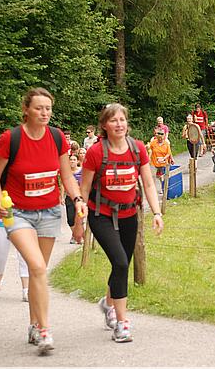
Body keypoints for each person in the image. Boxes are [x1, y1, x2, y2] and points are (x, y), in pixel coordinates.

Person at [0, 87, 87, 354]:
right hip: (17, 213)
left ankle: (33, 323)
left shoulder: (56, 138)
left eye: (48, 108)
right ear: (26, 110)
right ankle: (45, 330)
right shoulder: (12, 138)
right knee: (37, 267)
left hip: (49, 212)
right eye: (39, 108)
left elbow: (66, 176)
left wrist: (77, 199)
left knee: (36, 271)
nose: (44, 113)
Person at [79, 103, 163, 343]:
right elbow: (84, 187)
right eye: (113, 120)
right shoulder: (96, 152)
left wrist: (157, 213)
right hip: (101, 215)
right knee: (120, 261)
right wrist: (79, 218)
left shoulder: (137, 149)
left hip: (129, 215)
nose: (119, 124)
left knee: (121, 264)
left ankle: (107, 303)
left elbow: (147, 183)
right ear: (104, 125)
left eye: (122, 120)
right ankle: (122, 323)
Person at [146, 127, 174, 193]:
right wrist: (146, 147)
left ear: (164, 137)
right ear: (157, 137)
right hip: (154, 163)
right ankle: (152, 190)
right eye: (159, 138)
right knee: (153, 176)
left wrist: (164, 158)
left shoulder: (166, 143)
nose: (160, 139)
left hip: (163, 163)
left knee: (162, 177)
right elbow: (148, 147)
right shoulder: (154, 142)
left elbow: (168, 153)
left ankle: (162, 188)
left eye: (162, 138)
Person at [64, 153, 83, 244]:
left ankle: (75, 237)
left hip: (79, 198)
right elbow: (63, 185)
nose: (72, 161)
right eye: (70, 160)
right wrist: (61, 196)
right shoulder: (66, 172)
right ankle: (75, 234)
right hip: (68, 197)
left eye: (74, 160)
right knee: (70, 219)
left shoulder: (81, 171)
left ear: (77, 161)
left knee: (78, 218)